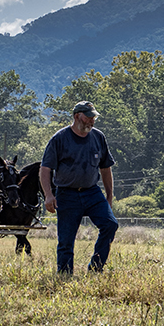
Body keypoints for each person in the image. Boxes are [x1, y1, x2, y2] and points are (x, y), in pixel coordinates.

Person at [39, 101, 119, 275]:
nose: (92, 121)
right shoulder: (59, 139)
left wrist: (109, 195)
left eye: (94, 118)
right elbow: (45, 169)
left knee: (110, 224)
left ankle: (96, 269)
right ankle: (65, 274)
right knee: (66, 241)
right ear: (77, 116)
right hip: (67, 194)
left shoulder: (98, 137)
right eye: (89, 117)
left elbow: (105, 168)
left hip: (92, 192)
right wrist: (48, 195)